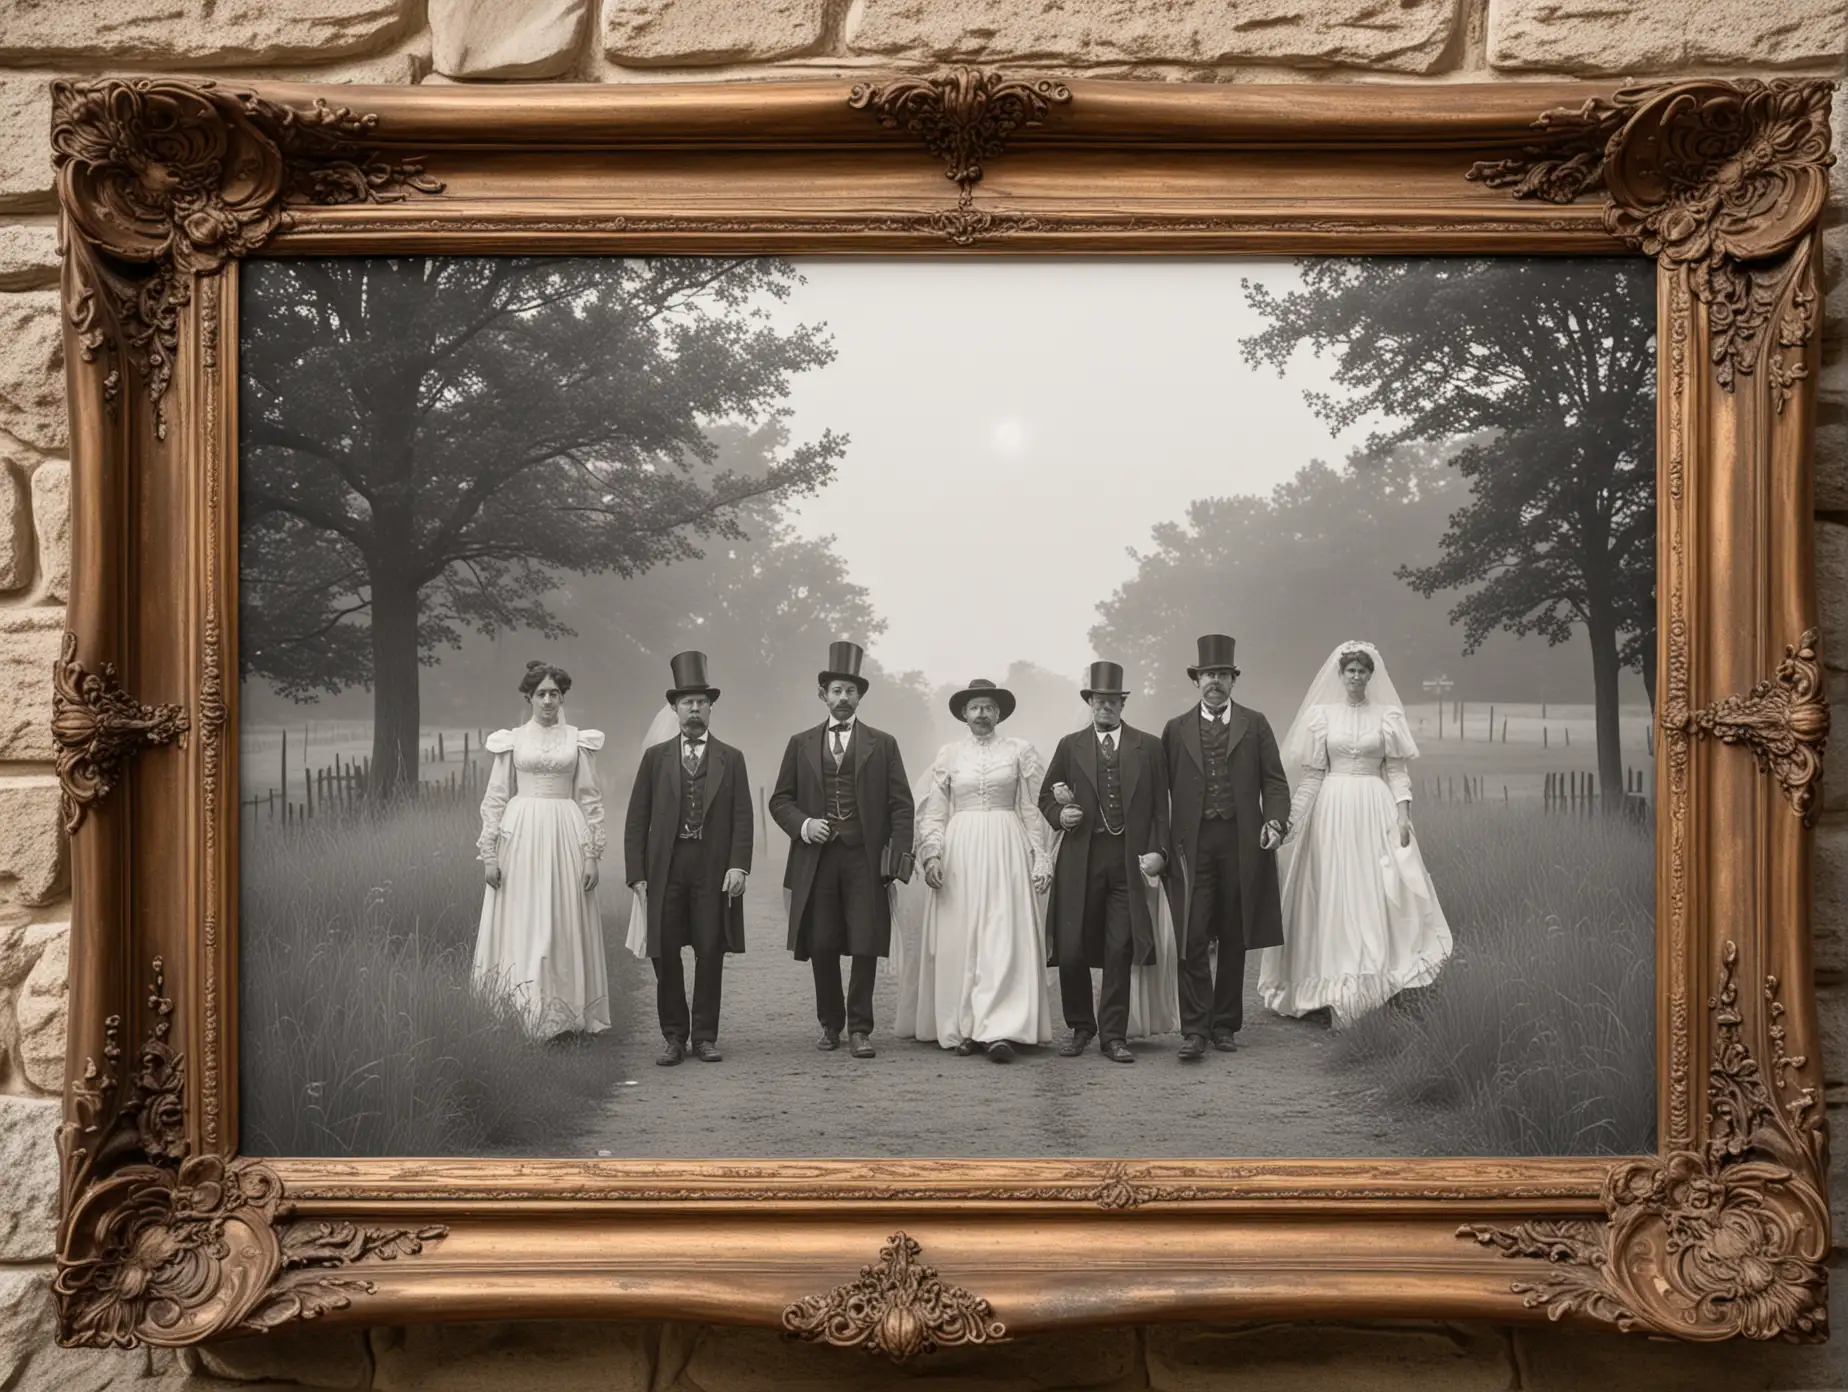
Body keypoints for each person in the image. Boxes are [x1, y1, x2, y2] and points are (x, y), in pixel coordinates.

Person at [1260, 641, 1452, 1026]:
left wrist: (1403, 814)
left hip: (1373, 806)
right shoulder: (1322, 716)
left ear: (1370, 675)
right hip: (1331, 810)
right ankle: (1325, 985)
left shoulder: (1387, 715)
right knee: (1330, 890)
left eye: (1363, 671)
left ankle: (1374, 978)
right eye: (1350, 671)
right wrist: (1291, 823)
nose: (1356, 677)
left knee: (1374, 888)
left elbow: (1396, 771)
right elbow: (1312, 777)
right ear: (1341, 674)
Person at [769, 641, 915, 1059]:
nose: (843, 698)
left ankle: (861, 1028)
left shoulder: (882, 743)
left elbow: (901, 805)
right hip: (816, 857)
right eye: (836, 690)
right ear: (823, 695)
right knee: (822, 940)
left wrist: (896, 857)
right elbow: (780, 799)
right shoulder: (800, 743)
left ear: (860, 696)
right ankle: (830, 1024)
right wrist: (804, 824)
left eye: (851, 691)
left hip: (865, 857)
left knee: (866, 939)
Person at [1160, 634, 1290, 1061]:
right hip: (1191, 845)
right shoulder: (1175, 729)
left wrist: (1275, 820)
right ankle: (1194, 1028)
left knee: (1235, 933)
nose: (1214, 681)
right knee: (1192, 933)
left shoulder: (1255, 723)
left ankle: (1225, 1024)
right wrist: (1158, 844)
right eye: (1207, 674)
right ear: (1196, 680)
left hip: (1241, 841)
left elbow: (1273, 780)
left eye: (1221, 674)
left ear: (1233, 680)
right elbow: (1160, 792)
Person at [912, 678, 1055, 1061]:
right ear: (963, 713)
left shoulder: (1020, 751)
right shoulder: (949, 755)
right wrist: (932, 856)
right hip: (962, 849)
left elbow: (1032, 808)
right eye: (974, 708)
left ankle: (1001, 1030)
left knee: (1002, 934)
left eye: (988, 707)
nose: (981, 714)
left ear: (998, 713)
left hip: (1007, 846)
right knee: (963, 936)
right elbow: (935, 813)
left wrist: (1040, 856)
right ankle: (964, 1027)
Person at [623, 651, 752, 1066]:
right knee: (663, 949)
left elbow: (742, 817)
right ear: (674, 709)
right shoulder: (654, 758)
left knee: (710, 948)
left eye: (701, 702)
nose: (694, 709)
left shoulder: (731, 758)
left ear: (710, 708)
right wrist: (636, 874)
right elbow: (636, 819)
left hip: (712, 867)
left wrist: (738, 865)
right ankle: (674, 1036)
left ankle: (705, 1036)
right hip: (666, 866)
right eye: (686, 702)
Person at [1040, 661, 1170, 1064]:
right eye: (1099, 700)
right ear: (1090, 702)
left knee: (1120, 946)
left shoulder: (1147, 746)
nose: (1105, 707)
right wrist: (1060, 816)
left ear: (1122, 703)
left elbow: (1160, 810)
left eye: (1113, 701)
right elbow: (1047, 797)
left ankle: (1113, 1035)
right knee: (1073, 945)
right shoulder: (1069, 745)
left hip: (1127, 860)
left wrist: (1159, 852)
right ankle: (1080, 1026)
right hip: (1080, 857)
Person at [473, 661, 612, 1038]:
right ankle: (521, 1011)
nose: (548, 701)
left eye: (555, 694)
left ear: (562, 697)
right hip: (521, 836)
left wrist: (591, 854)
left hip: (565, 832)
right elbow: (496, 796)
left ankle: (563, 1015)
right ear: (529, 698)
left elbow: (590, 799)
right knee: (525, 920)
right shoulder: (513, 740)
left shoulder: (577, 740)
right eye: (541, 694)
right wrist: (489, 854)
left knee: (560, 919)